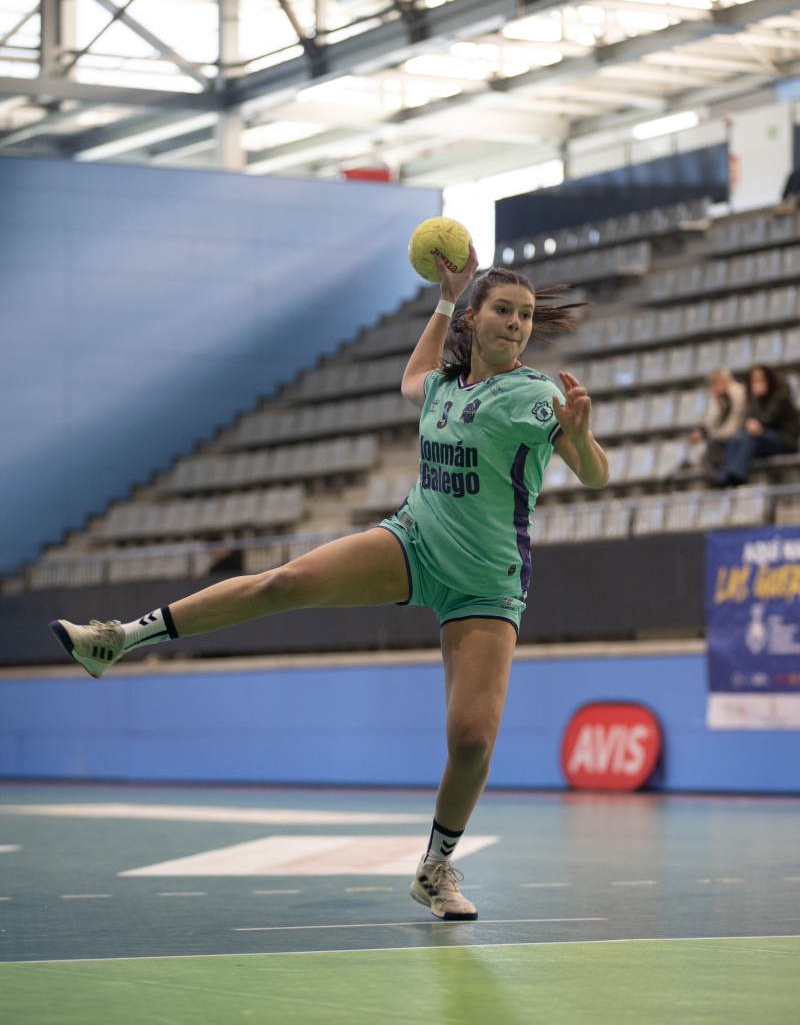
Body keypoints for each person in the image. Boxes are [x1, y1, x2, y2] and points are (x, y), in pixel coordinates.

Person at [49, 254, 609, 922]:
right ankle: (117, 639)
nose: (516, 323)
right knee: (283, 580)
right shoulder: (443, 388)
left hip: (487, 583)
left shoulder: (535, 395)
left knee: (471, 741)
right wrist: (445, 298)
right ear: (474, 319)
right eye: (504, 310)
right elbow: (411, 377)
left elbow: (596, 476)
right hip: (414, 544)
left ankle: (435, 868)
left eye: (525, 315)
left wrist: (582, 438)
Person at [715, 364, 800, 487]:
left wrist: (756, 399)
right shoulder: (755, 400)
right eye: (754, 380)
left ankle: (736, 476)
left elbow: (766, 419)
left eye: (761, 379)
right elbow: (750, 422)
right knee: (735, 439)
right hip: (763, 439)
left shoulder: (780, 396)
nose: (758, 384)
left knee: (750, 438)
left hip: (784, 441)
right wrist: (754, 399)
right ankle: (724, 477)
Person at [687, 367, 747, 483]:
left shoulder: (738, 394)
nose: (716, 387)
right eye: (713, 384)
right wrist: (718, 403)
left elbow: (734, 426)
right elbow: (710, 424)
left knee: (712, 449)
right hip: (722, 440)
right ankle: (717, 481)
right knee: (708, 453)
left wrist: (714, 435)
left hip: (737, 439)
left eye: (718, 382)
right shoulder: (718, 399)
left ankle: (721, 481)